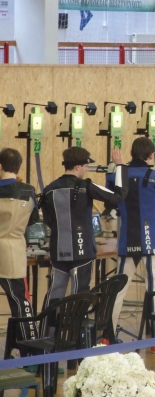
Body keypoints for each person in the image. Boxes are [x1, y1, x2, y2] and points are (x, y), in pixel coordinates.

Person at [109, 137, 155, 351]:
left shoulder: (117, 175)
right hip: (152, 239)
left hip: (127, 239)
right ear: (151, 155)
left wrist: (116, 169)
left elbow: (109, 199)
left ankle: (107, 337)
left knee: (118, 289)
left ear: (131, 153)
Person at [41, 146, 128, 310]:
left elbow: (48, 220)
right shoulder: (86, 186)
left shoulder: (49, 189)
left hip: (57, 251)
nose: (87, 169)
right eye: (86, 166)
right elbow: (118, 197)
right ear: (77, 167)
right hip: (82, 251)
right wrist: (121, 167)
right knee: (80, 295)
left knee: (55, 293)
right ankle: (75, 326)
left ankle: (48, 326)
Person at [0, 148, 40, 354]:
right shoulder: (29, 191)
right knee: (21, 303)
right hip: (14, 251)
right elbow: (34, 220)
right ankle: (30, 349)